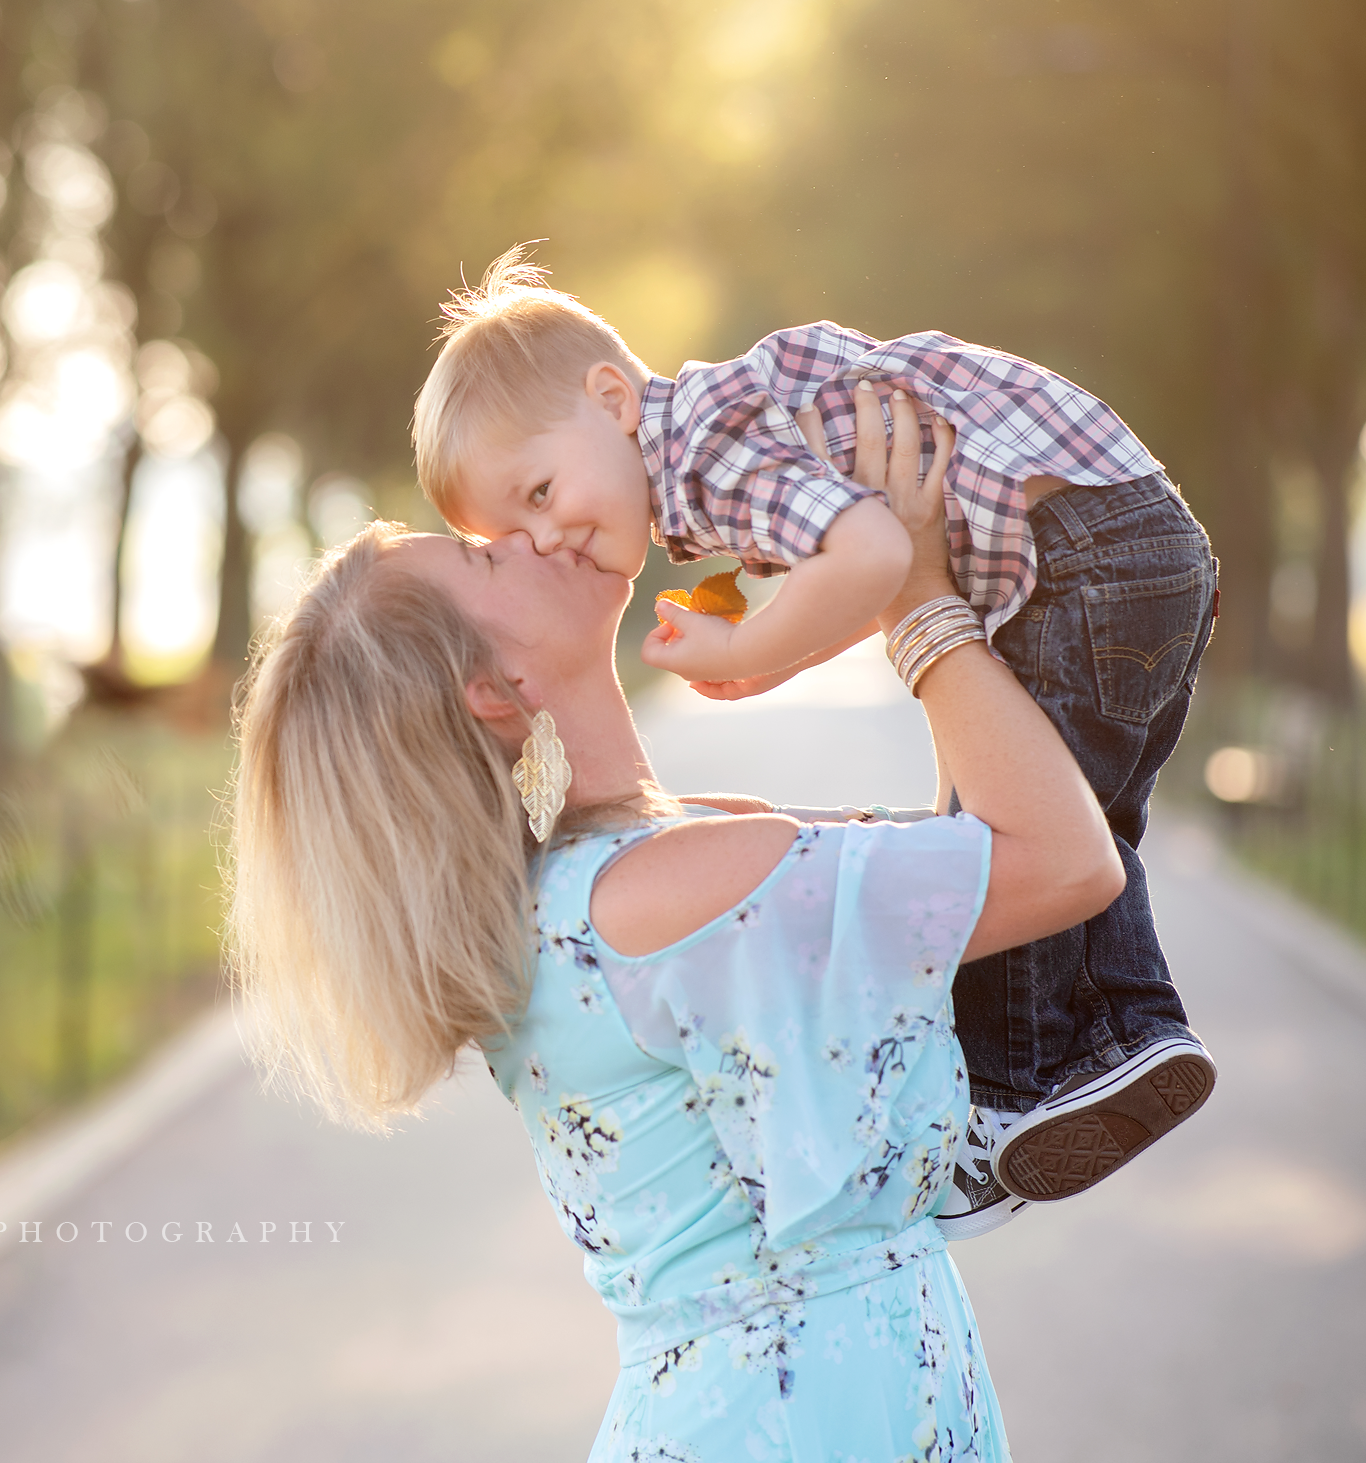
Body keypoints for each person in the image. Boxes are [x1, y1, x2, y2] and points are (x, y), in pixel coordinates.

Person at [228, 385, 1124, 1461]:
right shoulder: (671, 892)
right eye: (480, 558)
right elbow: (1061, 860)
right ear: (490, 686)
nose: (520, 535)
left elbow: (960, 863)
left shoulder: (652, 862)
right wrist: (909, 595)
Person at [410, 245, 1219, 1235]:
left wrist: (759, 647)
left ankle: (1009, 1093)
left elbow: (877, 553)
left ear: (614, 397)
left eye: (538, 493)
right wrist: (767, 656)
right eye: (514, 538)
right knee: (1084, 803)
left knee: (989, 825)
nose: (548, 540)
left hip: (1079, 551)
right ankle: (1134, 1030)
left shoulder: (707, 452)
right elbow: (870, 564)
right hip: (1135, 537)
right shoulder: (723, 433)